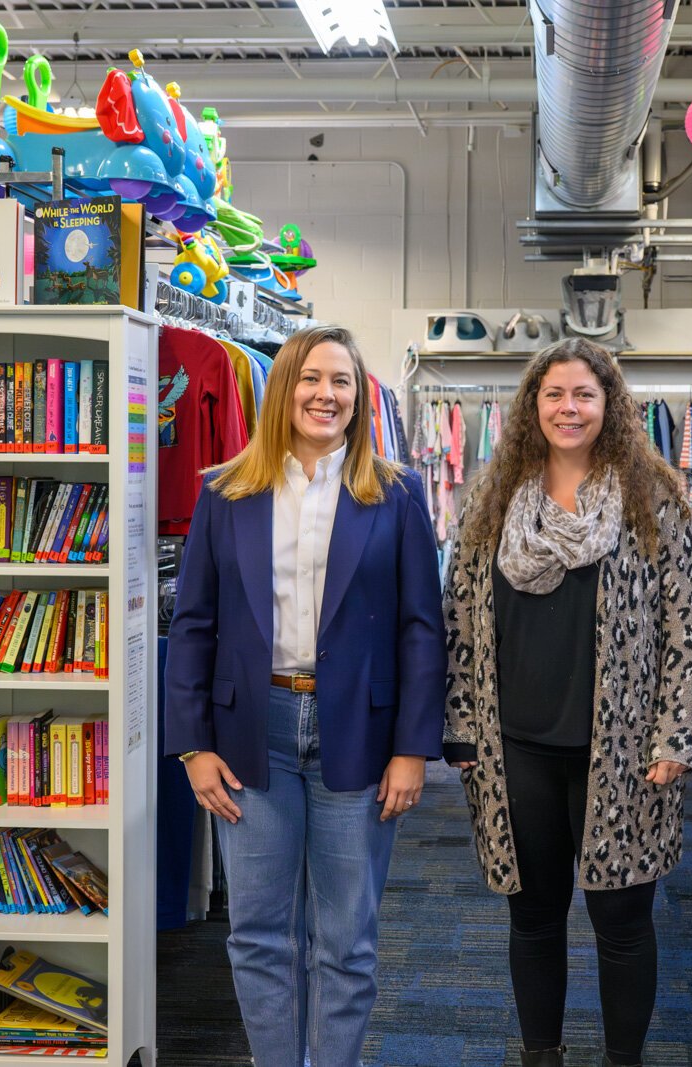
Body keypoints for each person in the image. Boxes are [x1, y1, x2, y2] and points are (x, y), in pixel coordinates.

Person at [164, 324, 446, 1067]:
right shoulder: (226, 491)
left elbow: (423, 628)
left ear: (359, 397)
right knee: (258, 932)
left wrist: (415, 747)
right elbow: (193, 623)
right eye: (313, 378)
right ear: (284, 388)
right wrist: (193, 744)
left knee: (346, 938)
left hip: (361, 730)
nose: (327, 394)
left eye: (343, 381)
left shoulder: (395, 493)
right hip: (252, 729)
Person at [442, 338, 692, 1067]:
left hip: (624, 750)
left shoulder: (653, 497)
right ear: (534, 404)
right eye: (554, 394)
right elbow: (460, 618)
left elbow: (690, 624)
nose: (569, 407)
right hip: (515, 745)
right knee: (532, 915)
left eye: (584, 395)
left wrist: (674, 737)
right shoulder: (494, 500)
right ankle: (542, 1055)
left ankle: (624, 1058)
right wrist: (461, 728)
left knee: (622, 917)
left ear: (609, 405)